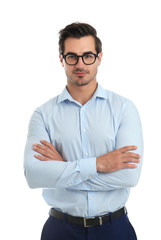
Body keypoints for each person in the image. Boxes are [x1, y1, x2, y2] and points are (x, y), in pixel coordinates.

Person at [24, 22, 143, 240]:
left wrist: (61, 169)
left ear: (99, 57)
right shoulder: (43, 114)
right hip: (60, 230)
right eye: (72, 56)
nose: (80, 64)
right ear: (61, 59)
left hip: (115, 229)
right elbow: (33, 175)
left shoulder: (124, 108)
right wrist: (100, 164)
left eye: (87, 55)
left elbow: (129, 175)